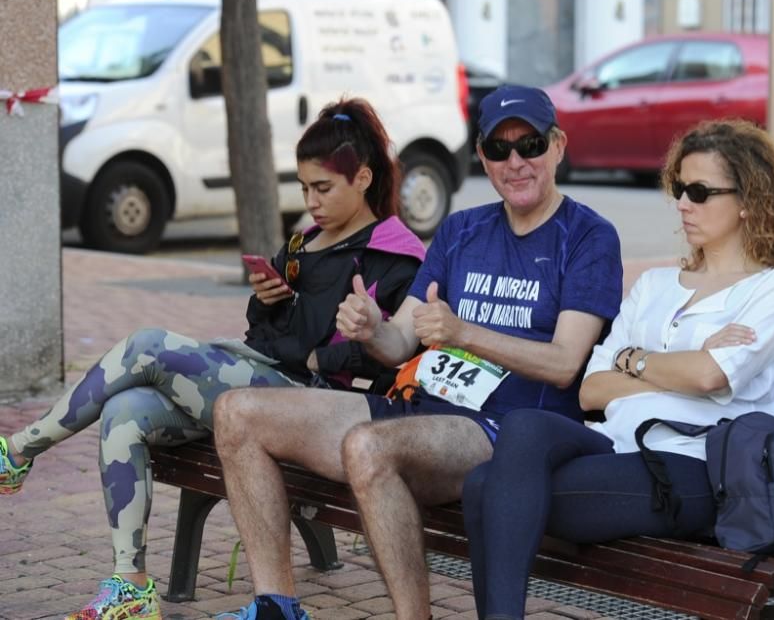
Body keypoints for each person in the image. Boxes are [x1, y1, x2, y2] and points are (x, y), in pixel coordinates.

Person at [0, 97, 426, 620]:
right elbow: (266, 335)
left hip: (321, 410)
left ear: (362, 178)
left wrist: (328, 347)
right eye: (304, 187)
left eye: (323, 188)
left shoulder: (395, 254)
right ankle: (130, 586)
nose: (311, 201)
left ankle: (18, 451)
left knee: (147, 345)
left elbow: (387, 364)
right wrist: (269, 301)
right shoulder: (304, 243)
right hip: (265, 380)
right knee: (126, 412)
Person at [211, 85, 624, 620]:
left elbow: (566, 363)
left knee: (369, 448)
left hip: (508, 430)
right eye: (499, 150)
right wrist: (369, 327)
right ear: (481, 157)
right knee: (237, 413)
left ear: (559, 145)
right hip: (417, 408)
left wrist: (464, 333)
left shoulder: (587, 236)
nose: (516, 162)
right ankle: (276, 606)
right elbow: (400, 342)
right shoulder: (462, 230)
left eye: (531, 145)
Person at [460, 119, 774, 620]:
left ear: (748, 199)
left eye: (700, 191)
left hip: (694, 465)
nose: (683, 203)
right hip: (617, 445)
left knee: (485, 488)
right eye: (678, 188)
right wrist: (677, 363)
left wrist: (636, 361)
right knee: (522, 429)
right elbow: (591, 391)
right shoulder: (656, 284)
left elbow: (710, 378)